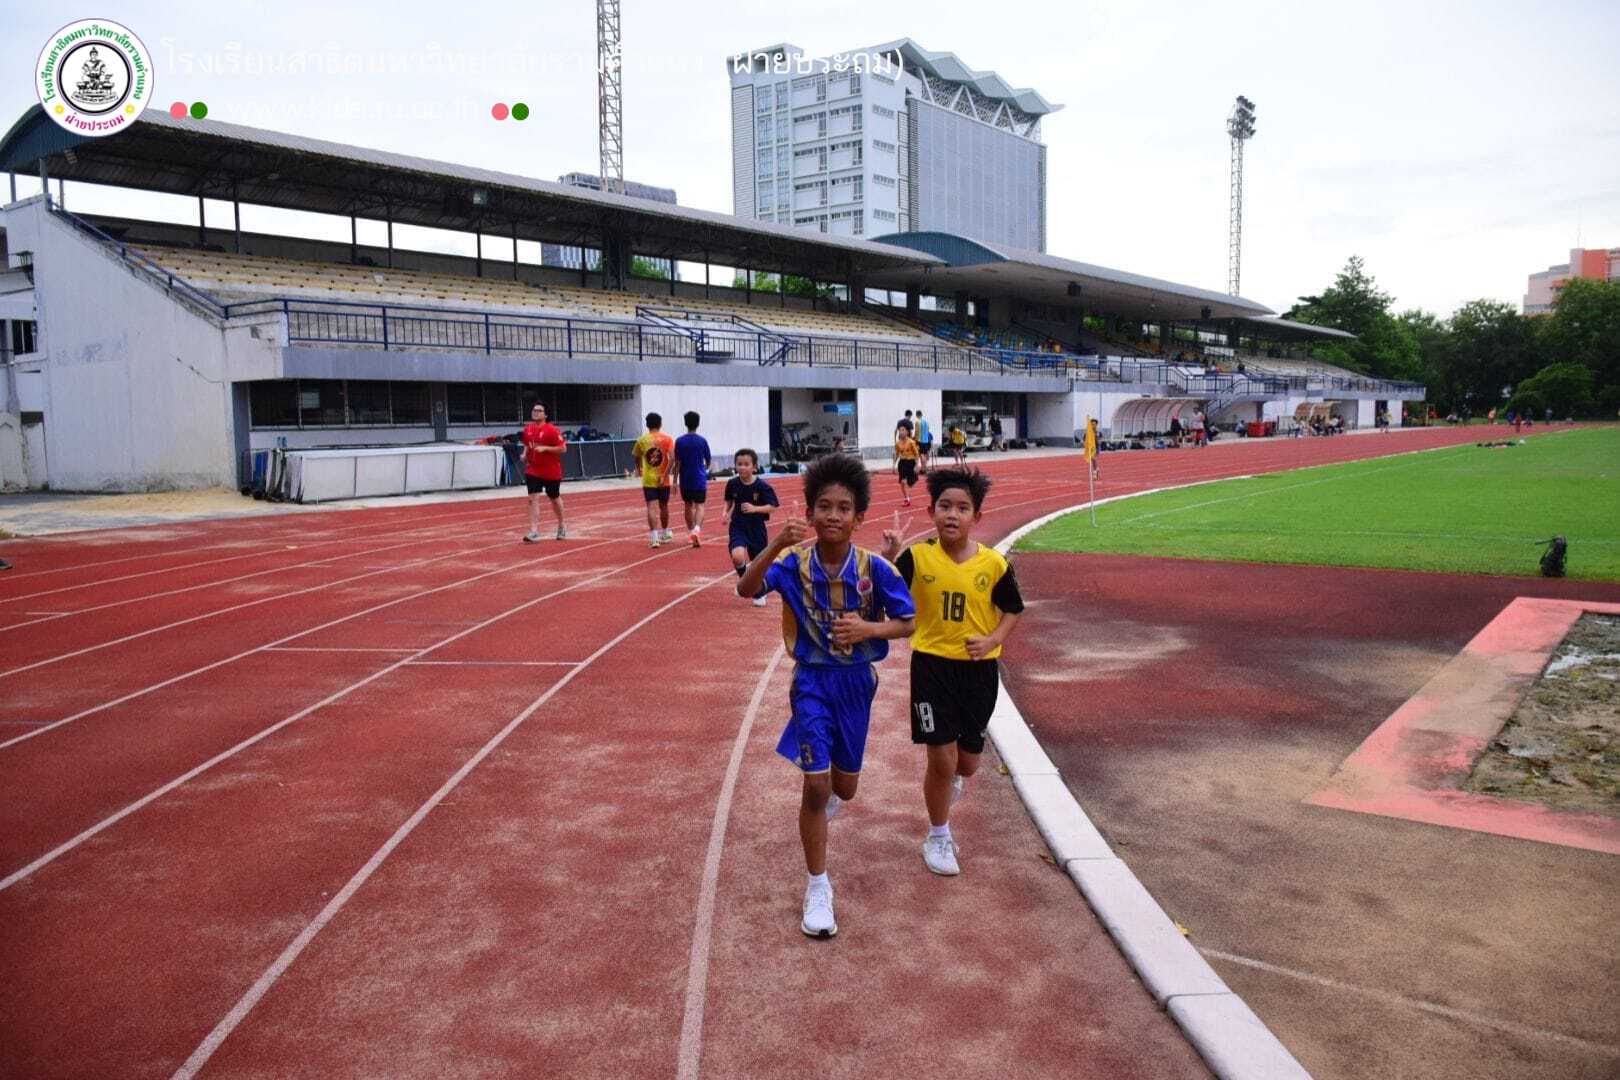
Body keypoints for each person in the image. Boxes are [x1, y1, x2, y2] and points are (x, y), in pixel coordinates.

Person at [736, 454, 916, 938]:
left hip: (856, 684)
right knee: (815, 787)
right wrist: (777, 541)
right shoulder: (792, 563)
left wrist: (867, 629)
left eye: (844, 508)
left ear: (859, 518)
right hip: (811, 683)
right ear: (810, 512)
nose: (833, 515)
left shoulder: (876, 569)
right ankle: (818, 885)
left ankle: (829, 800)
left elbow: (908, 622)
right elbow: (746, 588)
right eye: (824, 506)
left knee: (845, 788)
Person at [880, 467, 1023, 877]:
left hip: (978, 672)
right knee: (940, 759)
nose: (952, 515)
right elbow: (885, 595)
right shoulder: (917, 557)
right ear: (931, 512)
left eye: (962, 508)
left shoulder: (994, 564)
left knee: (967, 764)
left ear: (976, 516)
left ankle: (950, 781)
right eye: (944, 506)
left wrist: (993, 638)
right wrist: (889, 559)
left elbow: (1013, 610)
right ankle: (938, 835)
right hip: (931, 667)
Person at [724, 448, 779, 608]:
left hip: (756, 528)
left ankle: (760, 590)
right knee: (737, 557)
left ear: (754, 467)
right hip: (738, 526)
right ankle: (746, 583)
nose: (742, 467)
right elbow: (729, 501)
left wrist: (755, 508)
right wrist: (725, 513)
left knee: (758, 564)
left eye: (746, 464)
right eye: (739, 464)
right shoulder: (732, 483)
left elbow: (773, 506)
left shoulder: (762, 486)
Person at [520, 402, 567, 542]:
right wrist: (524, 454)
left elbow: (563, 448)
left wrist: (546, 448)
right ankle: (534, 531)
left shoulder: (552, 430)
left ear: (545, 415)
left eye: (539, 410)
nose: (535, 412)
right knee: (532, 499)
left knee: (554, 498)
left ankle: (561, 525)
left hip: (551, 471)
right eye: (534, 410)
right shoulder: (528, 429)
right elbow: (527, 444)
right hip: (533, 469)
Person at [632, 412, 676, 547]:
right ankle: (665, 532)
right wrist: (665, 475)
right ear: (660, 424)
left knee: (651, 507)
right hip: (663, 479)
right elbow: (672, 458)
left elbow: (635, 456)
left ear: (647, 425)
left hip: (648, 479)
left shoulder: (641, 440)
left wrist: (638, 468)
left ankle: (654, 538)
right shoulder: (667, 439)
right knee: (664, 506)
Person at [671, 411, 712, 549]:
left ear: (685, 423)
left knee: (688, 505)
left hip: (685, 479)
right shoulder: (702, 441)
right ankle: (697, 530)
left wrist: (675, 481)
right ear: (698, 424)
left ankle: (691, 531)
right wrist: (705, 469)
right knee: (700, 505)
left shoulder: (679, 441)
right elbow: (708, 460)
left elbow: (677, 463)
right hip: (699, 478)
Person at [895, 425, 921, 507]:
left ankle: (914, 478)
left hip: (911, 463)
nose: (901, 432)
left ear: (907, 432)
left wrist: (917, 464)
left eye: (903, 430)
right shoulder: (898, 443)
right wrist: (894, 465)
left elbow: (916, 454)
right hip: (902, 463)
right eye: (900, 430)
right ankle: (907, 499)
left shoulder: (911, 442)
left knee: (911, 483)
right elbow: (897, 454)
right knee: (903, 482)